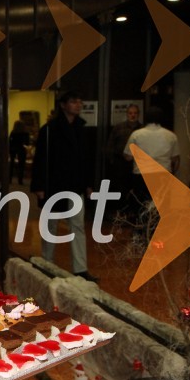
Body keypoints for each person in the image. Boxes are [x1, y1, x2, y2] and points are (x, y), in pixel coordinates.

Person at [30, 91, 97, 282]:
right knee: (50, 225)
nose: (78, 105)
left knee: (77, 225)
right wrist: (39, 186)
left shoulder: (81, 129)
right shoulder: (49, 129)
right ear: (63, 105)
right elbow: (40, 159)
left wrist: (88, 185)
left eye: (80, 101)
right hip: (54, 184)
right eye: (73, 101)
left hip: (75, 184)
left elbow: (86, 159)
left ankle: (80, 268)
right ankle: (47, 262)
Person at [123, 105, 180, 202]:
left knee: (142, 206)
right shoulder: (171, 136)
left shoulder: (136, 134)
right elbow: (176, 159)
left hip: (141, 175)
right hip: (163, 174)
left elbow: (128, 157)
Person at [105, 104, 142, 214]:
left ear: (138, 115)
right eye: (130, 113)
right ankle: (120, 213)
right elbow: (110, 144)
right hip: (120, 163)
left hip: (136, 163)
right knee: (120, 188)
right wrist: (111, 161)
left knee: (135, 189)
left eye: (135, 113)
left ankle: (133, 213)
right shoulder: (119, 127)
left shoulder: (142, 129)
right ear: (127, 114)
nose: (133, 115)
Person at [9, 120, 30, 185]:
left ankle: (10, 179)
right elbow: (27, 142)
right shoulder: (25, 133)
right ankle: (20, 180)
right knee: (21, 165)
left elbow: (10, 141)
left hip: (13, 149)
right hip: (21, 149)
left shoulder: (13, 132)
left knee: (11, 164)